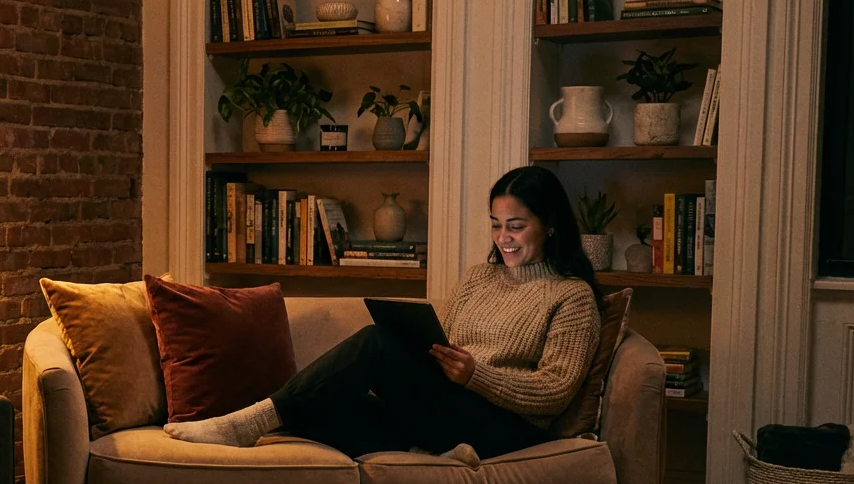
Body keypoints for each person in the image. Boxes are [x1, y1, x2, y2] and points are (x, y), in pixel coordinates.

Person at [164, 165, 604, 460]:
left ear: (550, 226)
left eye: (516, 226)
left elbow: (554, 392)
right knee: (323, 405)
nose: (502, 238)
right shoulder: (479, 278)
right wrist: (435, 357)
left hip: (508, 430)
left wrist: (475, 376)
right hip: (450, 409)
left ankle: (243, 425)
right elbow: (443, 347)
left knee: (376, 344)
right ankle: (430, 453)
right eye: (495, 224)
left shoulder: (571, 296)